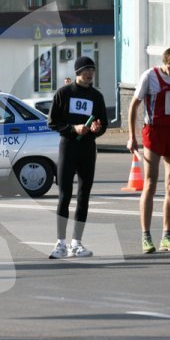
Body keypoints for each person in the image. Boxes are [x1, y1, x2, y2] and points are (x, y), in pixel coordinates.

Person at [127, 47, 170, 254]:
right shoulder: (150, 76)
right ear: (163, 62)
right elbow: (134, 105)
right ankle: (146, 236)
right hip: (154, 131)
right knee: (150, 183)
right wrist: (132, 137)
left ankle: (167, 235)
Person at [47, 56, 108, 259]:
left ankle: (77, 242)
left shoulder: (96, 96)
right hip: (68, 147)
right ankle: (60, 243)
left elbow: (103, 124)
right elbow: (52, 122)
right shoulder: (64, 93)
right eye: (85, 70)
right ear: (77, 72)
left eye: (92, 69)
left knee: (84, 196)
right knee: (64, 195)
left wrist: (96, 129)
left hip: (88, 148)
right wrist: (73, 128)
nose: (89, 73)